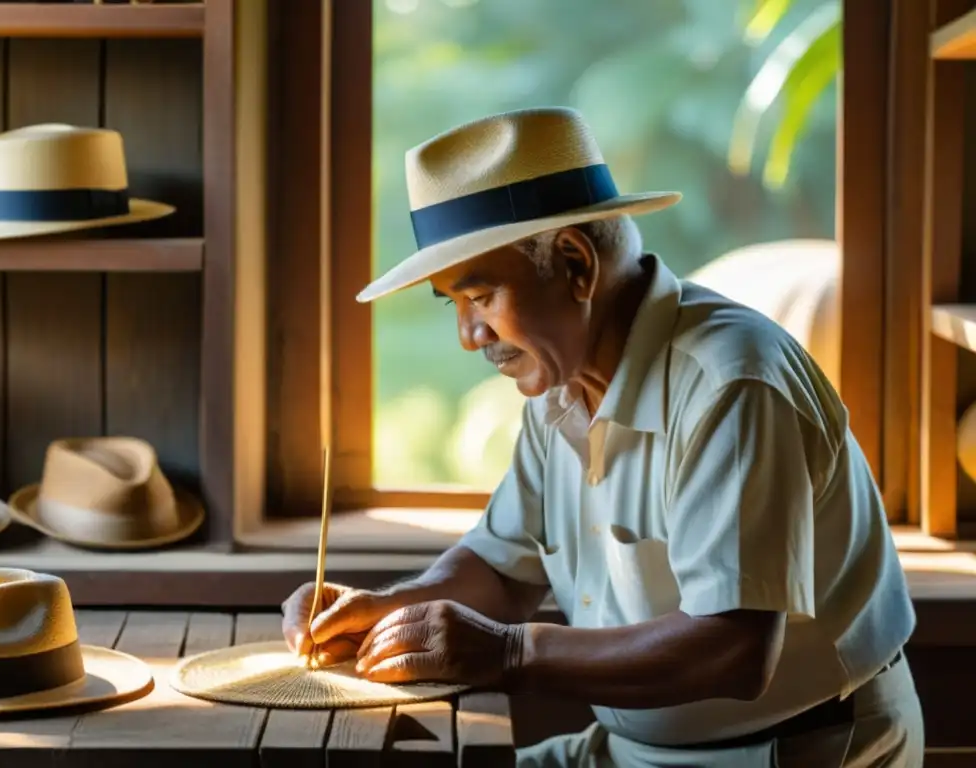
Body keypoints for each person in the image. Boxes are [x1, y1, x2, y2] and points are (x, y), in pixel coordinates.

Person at [281, 107, 924, 767]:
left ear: (575, 265)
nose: (470, 336)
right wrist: (384, 612)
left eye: (482, 297)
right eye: (455, 304)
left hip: (793, 751)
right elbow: (501, 572)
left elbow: (734, 651)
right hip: (627, 750)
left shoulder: (733, 385)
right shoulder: (559, 390)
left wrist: (508, 652)